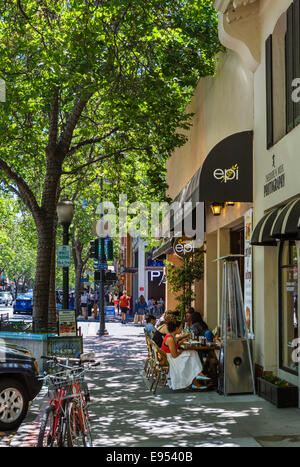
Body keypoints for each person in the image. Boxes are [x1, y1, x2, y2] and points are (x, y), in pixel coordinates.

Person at [161, 316, 210, 390]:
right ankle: (198, 375)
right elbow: (174, 355)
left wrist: (180, 343)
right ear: (176, 328)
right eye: (180, 327)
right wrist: (181, 351)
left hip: (170, 357)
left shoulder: (171, 336)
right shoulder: (170, 338)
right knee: (192, 354)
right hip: (171, 359)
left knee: (193, 353)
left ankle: (198, 375)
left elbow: (174, 346)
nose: (181, 329)